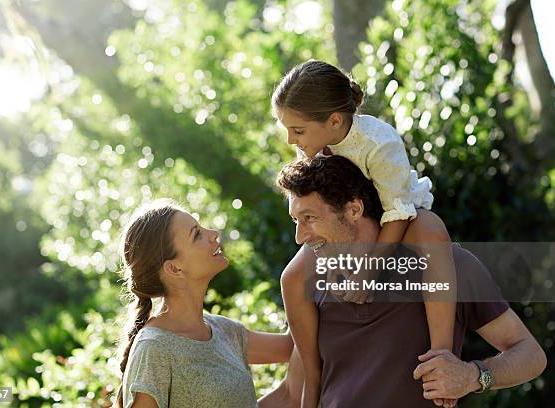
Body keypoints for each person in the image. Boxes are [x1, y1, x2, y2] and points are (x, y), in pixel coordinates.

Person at [259, 155, 546, 407]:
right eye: (296, 221)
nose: (300, 237)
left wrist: (473, 376)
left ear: (354, 209)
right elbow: (293, 394)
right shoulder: (309, 284)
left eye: (309, 217)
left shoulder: (446, 266)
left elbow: (530, 354)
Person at [272, 59, 457, 406]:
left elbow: (398, 212)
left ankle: (441, 356)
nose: (290, 139)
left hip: (395, 210)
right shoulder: (313, 144)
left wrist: (368, 270)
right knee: (292, 277)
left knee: (433, 232)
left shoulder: (378, 143)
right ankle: (312, 383)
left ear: (335, 121)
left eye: (297, 130)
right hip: (352, 214)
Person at [114, 199, 293, 408]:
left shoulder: (224, 331)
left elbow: (295, 347)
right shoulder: (153, 348)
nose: (213, 233)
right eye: (196, 234)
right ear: (174, 269)